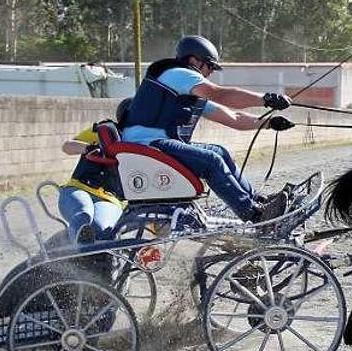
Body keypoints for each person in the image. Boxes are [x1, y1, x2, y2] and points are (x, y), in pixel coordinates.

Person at [121, 35, 295, 222]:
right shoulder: (179, 74)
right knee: (211, 161)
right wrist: (265, 99)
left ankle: (257, 201)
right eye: (209, 65)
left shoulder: (187, 90)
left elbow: (234, 117)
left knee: (220, 152)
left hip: (159, 144)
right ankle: (255, 215)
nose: (211, 72)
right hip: (146, 146)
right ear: (193, 60)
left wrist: (268, 123)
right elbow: (220, 95)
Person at [58, 99, 131, 244]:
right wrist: (89, 148)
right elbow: (67, 147)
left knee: (102, 230)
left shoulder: (142, 143)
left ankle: (89, 254)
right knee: (84, 213)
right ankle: (78, 253)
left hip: (110, 200)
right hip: (79, 189)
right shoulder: (104, 130)